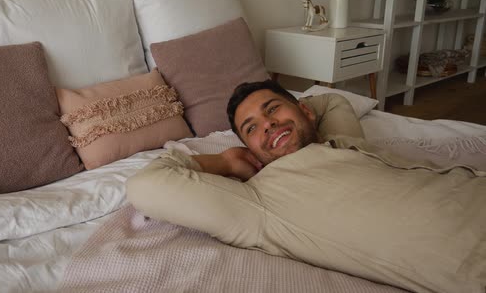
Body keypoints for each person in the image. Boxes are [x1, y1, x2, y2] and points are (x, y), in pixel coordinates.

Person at [127, 80, 486, 293]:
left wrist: (297, 117)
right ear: (249, 147)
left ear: (304, 111)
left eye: (272, 109)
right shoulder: (261, 202)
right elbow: (146, 185)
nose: (266, 125)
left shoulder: (343, 141)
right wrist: (223, 161)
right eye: (251, 129)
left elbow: (332, 100)